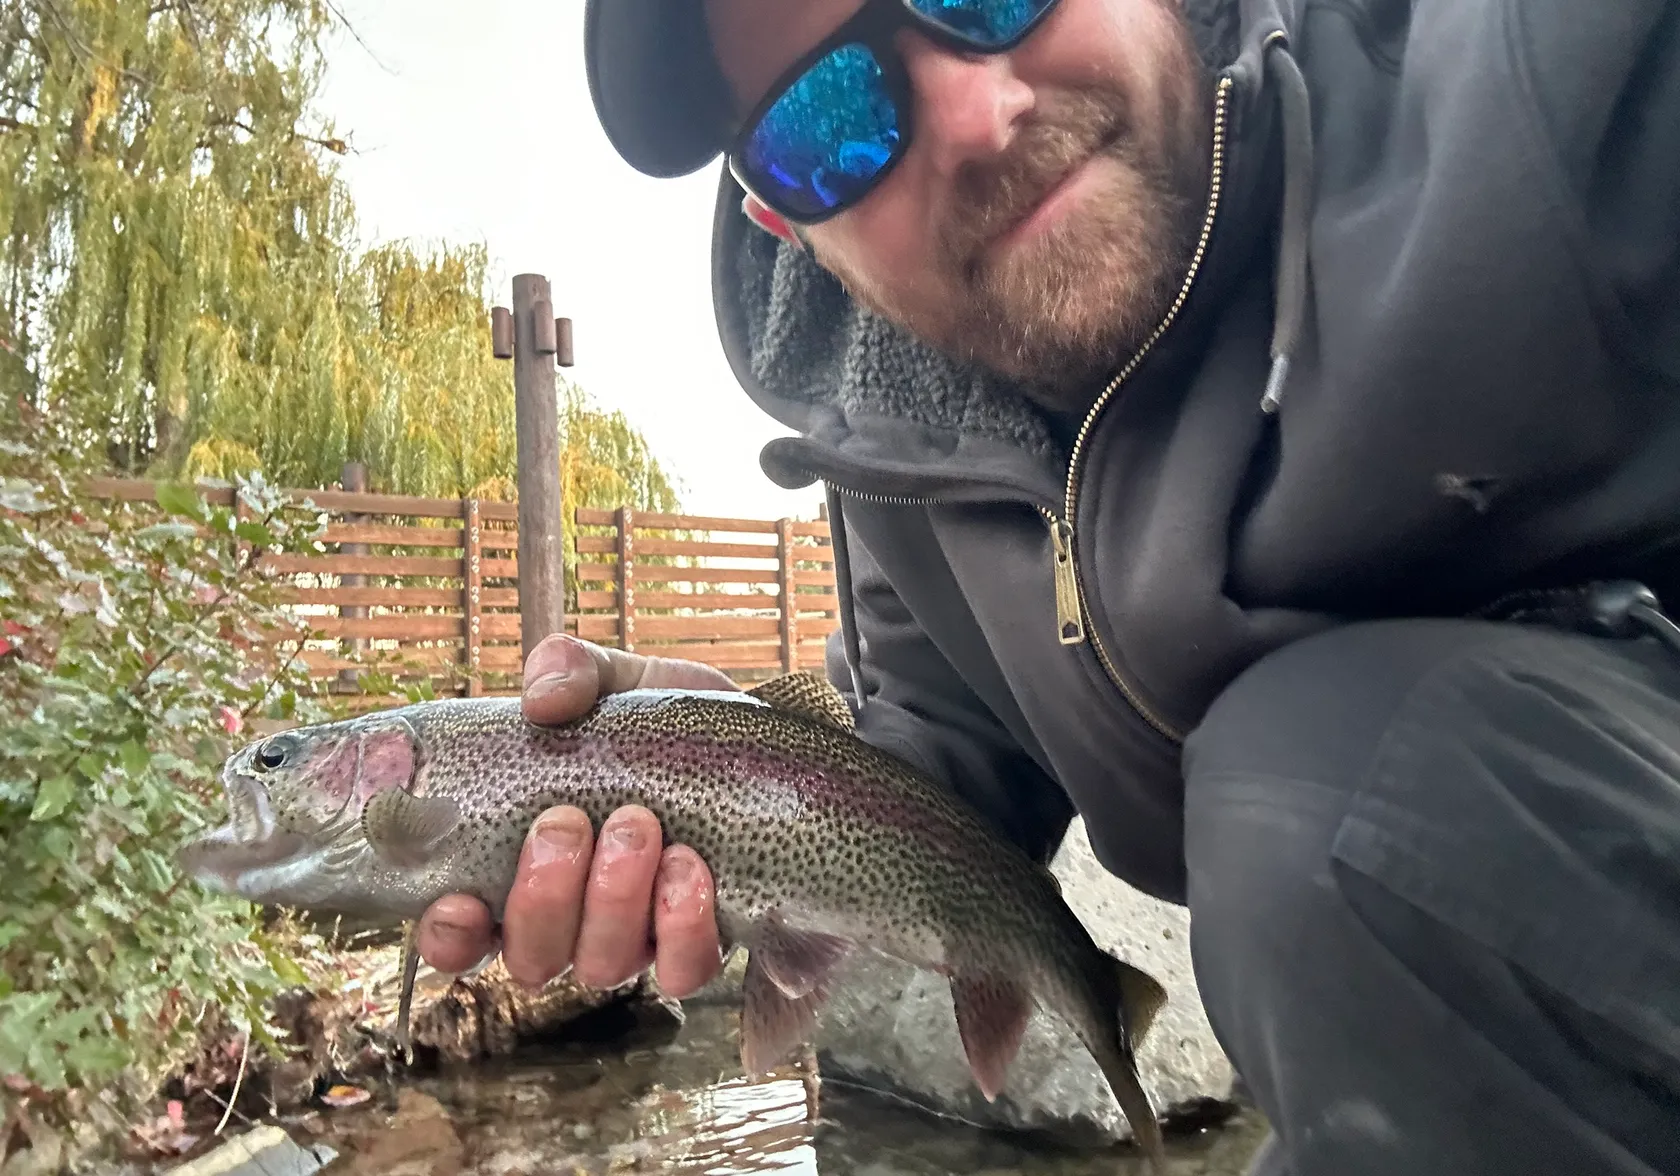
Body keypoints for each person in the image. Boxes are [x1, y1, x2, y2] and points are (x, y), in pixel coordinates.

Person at [417, 0, 1680, 1172]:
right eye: (827, 122)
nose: (976, 116)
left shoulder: (1546, 73)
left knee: (1311, 793)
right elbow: (952, 751)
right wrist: (728, 770)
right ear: (781, 220)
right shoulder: (884, 440)